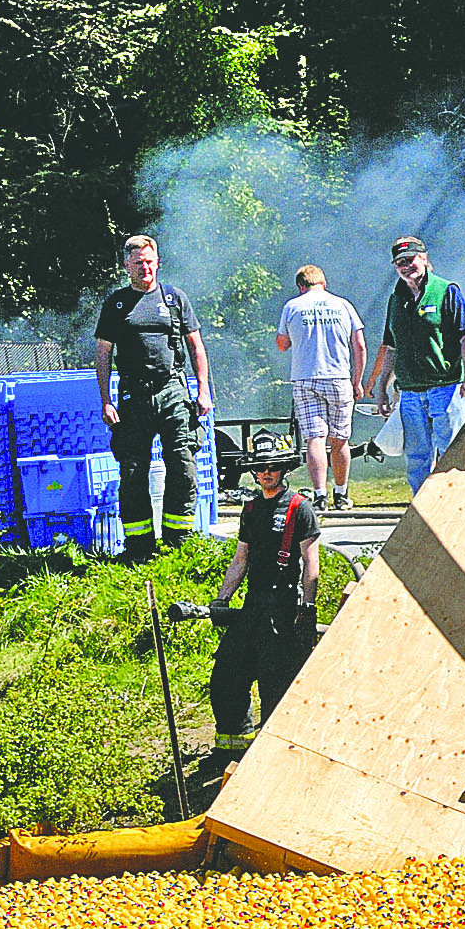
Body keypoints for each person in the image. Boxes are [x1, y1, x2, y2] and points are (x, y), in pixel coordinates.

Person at [94, 234, 213, 560]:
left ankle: (178, 544)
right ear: (126, 266)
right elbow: (103, 354)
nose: (144, 268)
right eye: (138, 263)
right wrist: (106, 399)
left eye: (149, 261)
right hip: (133, 397)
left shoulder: (175, 299)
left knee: (183, 467)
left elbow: (196, 346)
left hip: (173, 391)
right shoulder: (116, 304)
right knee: (132, 474)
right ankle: (138, 548)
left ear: (157, 262)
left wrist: (203, 389)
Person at [205, 430, 323, 752]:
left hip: (282, 608)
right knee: (227, 676)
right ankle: (232, 746)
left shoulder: (300, 508)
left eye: (272, 466)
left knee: (275, 683)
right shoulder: (252, 509)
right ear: (254, 472)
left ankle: (274, 751)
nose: (266, 473)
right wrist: (221, 600)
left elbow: (311, 564)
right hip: (252, 604)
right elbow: (240, 558)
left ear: (283, 469)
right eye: (260, 468)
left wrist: (307, 610)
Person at [362, 235, 465, 492]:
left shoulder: (446, 291)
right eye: (399, 262)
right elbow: (390, 347)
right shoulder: (396, 300)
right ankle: (419, 515)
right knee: (416, 459)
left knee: (451, 457)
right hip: (410, 393)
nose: (406, 266)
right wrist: (382, 387)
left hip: (445, 388)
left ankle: (452, 510)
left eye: (410, 260)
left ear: (423, 258)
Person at [275, 264, 366, 510]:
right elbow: (359, 345)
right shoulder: (343, 305)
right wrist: (357, 381)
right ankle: (341, 494)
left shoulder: (292, 306)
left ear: (300, 286)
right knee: (340, 440)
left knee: (314, 439)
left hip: (305, 378)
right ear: (323, 284)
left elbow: (282, 344)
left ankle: (319, 496)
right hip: (338, 378)